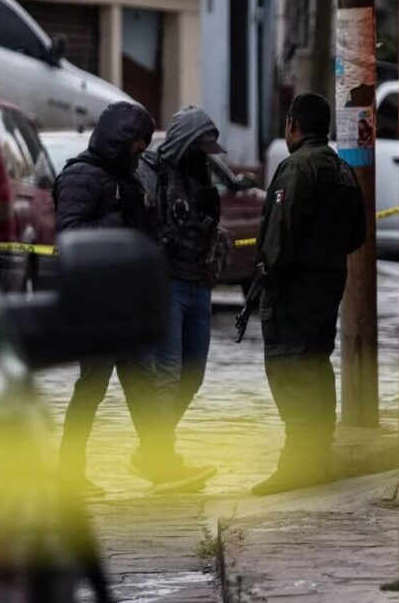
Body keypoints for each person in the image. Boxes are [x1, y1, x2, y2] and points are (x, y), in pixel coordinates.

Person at [55, 101, 210, 497]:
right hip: (95, 306)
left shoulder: (125, 177)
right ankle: (68, 474)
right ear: (122, 138)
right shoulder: (81, 175)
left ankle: (161, 465)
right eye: (138, 140)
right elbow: (70, 233)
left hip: (126, 304)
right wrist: (122, 219)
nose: (142, 148)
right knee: (91, 389)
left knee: (144, 387)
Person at [250, 93, 366, 496]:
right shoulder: (342, 169)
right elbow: (357, 234)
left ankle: (298, 465)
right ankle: (316, 458)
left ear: (292, 124)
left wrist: (267, 273)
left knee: (290, 369)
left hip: (292, 291)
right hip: (326, 288)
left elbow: (277, 235)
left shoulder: (297, 167)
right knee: (316, 365)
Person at [133, 106, 229, 490]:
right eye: (199, 148)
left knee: (192, 374)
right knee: (168, 375)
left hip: (199, 283)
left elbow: (206, 225)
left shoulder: (201, 174)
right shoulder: (150, 173)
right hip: (166, 284)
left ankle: (151, 448)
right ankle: (161, 457)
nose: (203, 156)